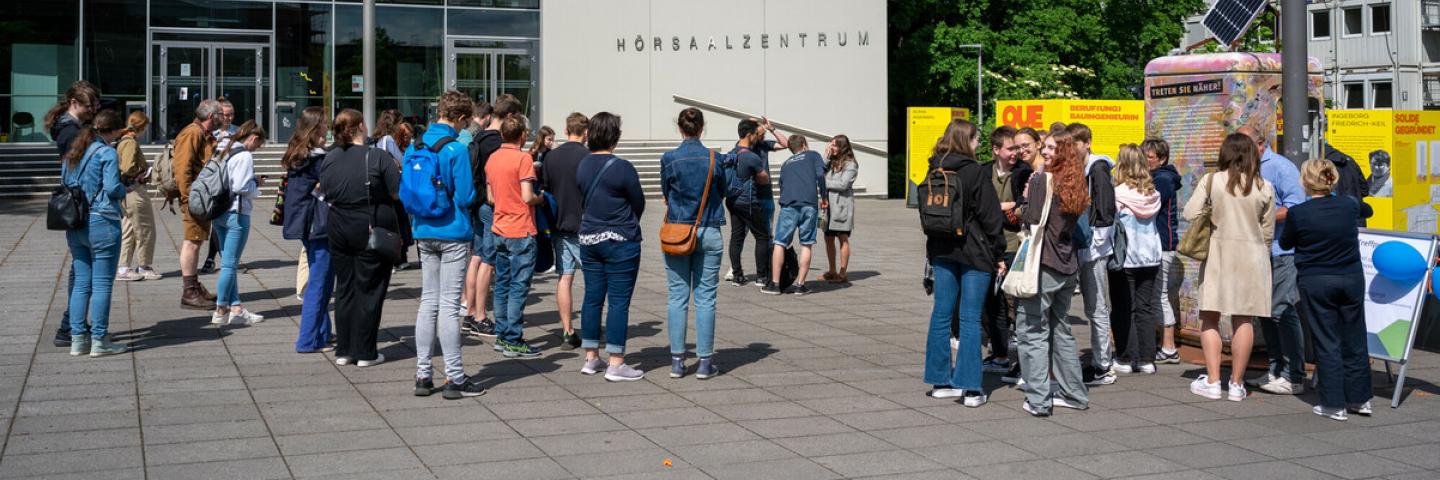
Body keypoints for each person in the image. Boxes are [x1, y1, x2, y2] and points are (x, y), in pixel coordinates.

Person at [1281, 159, 1375, 420]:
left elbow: (1287, 241)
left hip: (1317, 279)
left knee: (1327, 340)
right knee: (1355, 338)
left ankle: (1334, 403)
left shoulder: (1299, 213)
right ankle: (1360, 399)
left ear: (1306, 182)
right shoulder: (1349, 205)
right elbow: (1367, 211)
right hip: (1351, 277)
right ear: (1332, 178)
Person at [921, 119, 1005, 408]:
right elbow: (991, 216)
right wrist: (999, 252)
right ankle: (970, 388)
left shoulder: (934, 167)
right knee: (970, 319)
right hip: (974, 252)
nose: (977, 144)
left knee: (941, 316)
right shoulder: (974, 171)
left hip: (942, 249)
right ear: (964, 140)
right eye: (975, 139)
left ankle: (940, 382)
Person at [1185, 133, 1275, 402]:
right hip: (1252, 256)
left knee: (1210, 316)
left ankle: (1213, 380)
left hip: (1218, 253)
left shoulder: (1212, 180)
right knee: (1243, 319)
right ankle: (1236, 383)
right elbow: (1268, 231)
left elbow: (1190, 212)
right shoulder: (1263, 185)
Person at [409, 91, 486, 399]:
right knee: (450, 306)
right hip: (452, 232)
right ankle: (455, 377)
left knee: (428, 302)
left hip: (423, 230)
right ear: (461, 118)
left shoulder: (417, 145)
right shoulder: (454, 149)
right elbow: (466, 196)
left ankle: (423, 374)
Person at [1015, 130, 1091, 416]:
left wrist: (1023, 203)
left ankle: (1038, 399)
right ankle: (1075, 394)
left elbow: (1032, 218)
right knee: (1061, 330)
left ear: (1061, 153)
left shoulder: (1041, 180)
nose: (1044, 152)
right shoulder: (1076, 180)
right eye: (1044, 147)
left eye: (1049, 148)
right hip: (1067, 264)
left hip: (1043, 265)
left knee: (1032, 330)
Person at [322, 109, 401, 367]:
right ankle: (365, 351)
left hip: (338, 225)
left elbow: (324, 189)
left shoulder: (330, 158)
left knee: (344, 288)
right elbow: (397, 193)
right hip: (369, 226)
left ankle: (344, 350)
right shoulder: (377, 156)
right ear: (360, 127)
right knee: (369, 288)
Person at [576, 112, 648, 381]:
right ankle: (616, 362)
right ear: (615, 136)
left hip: (589, 238)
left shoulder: (582, 165)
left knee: (592, 298)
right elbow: (638, 202)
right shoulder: (622, 167)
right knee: (619, 301)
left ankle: (591, 357)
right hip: (620, 239)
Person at [1239, 126, 1308, 396]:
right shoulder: (1246, 168)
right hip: (1257, 253)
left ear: (1260, 144)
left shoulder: (1280, 167)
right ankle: (1275, 368)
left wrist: (1260, 218)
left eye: (1244, 146)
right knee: (1264, 312)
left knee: (1282, 310)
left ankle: (1294, 374)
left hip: (1281, 252)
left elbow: (1296, 206)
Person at [662, 108, 730, 379]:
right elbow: (722, 191)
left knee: (677, 297)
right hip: (710, 230)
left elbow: (667, 192)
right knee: (706, 299)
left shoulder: (669, 158)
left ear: (680, 128)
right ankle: (704, 363)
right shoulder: (715, 158)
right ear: (703, 128)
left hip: (678, 231)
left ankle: (678, 362)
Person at [61, 110, 130, 357]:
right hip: (101, 222)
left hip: (75, 222)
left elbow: (65, 183)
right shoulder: (107, 153)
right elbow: (112, 188)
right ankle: (100, 339)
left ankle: (78, 339)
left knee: (81, 283)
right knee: (102, 284)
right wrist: (126, 187)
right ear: (111, 131)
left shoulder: (73, 152)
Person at [44, 81, 101, 348]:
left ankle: (72, 325)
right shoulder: (70, 132)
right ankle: (70, 326)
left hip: (78, 204)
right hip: (82, 205)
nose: (93, 111)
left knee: (80, 269)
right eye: (89, 106)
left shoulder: (70, 128)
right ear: (74, 103)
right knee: (82, 272)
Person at [486, 114, 545, 358]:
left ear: (502, 135)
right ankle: (513, 338)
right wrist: (541, 199)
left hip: (499, 227)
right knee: (519, 286)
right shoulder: (523, 159)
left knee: (502, 284)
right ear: (522, 136)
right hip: (520, 229)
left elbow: (490, 198)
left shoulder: (492, 158)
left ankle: (502, 334)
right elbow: (527, 196)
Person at [464, 96, 521, 338]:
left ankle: (469, 312)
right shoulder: (496, 143)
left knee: (476, 257)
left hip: (476, 203)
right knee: (488, 260)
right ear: (509, 117)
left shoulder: (478, 136)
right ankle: (479, 316)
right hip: (490, 205)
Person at [1068, 123, 1119, 387]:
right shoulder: (1084, 169)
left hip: (1093, 248)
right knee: (1092, 306)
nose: (1072, 150)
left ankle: (1103, 364)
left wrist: (1095, 244)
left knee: (1097, 305)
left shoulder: (1097, 168)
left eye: (1075, 144)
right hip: (1085, 245)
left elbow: (1105, 210)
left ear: (1087, 143)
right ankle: (1100, 360)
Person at [978, 126, 1032, 375]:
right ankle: (999, 353)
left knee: (1017, 303)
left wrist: (1001, 208)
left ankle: (1023, 361)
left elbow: (1025, 206)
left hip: (1014, 246)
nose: (1016, 153)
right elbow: (977, 206)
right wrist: (1001, 207)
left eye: (1018, 148)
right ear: (996, 150)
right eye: (1011, 148)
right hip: (987, 246)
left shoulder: (1023, 172)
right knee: (992, 303)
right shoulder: (982, 172)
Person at [1108, 144, 1163, 374]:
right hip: (1151, 256)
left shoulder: (1118, 193)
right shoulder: (1153, 193)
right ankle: (1147, 358)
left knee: (1124, 307)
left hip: (1126, 256)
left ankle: (1126, 356)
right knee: (1145, 307)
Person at [283, 107, 334, 353]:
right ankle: (307, 339)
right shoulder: (316, 159)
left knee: (321, 279)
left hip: (307, 224)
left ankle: (322, 333)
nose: (328, 127)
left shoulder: (299, 154)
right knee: (319, 283)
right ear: (314, 128)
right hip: (319, 225)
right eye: (324, 124)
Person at [210, 121, 268, 326]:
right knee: (229, 265)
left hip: (218, 212)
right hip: (237, 212)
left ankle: (235, 307)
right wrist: (256, 184)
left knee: (228, 262)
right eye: (258, 144)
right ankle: (220, 308)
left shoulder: (224, 150)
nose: (257, 148)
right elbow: (242, 186)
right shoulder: (244, 155)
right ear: (253, 138)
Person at [543, 113, 591, 350]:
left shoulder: (551, 158)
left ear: (565, 130)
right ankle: (591, 327)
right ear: (586, 133)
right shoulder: (588, 157)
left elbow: (546, 190)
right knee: (594, 278)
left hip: (559, 223)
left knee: (565, 277)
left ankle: (567, 330)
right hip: (584, 225)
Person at [726, 117, 790, 285]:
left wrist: (772, 129)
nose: (760, 136)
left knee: (737, 236)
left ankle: (738, 275)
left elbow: (786, 144)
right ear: (750, 134)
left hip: (738, 199)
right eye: (758, 133)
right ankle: (762, 276)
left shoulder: (737, 151)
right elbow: (764, 179)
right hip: (751, 199)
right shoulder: (748, 154)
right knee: (763, 236)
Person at [762, 136, 827, 295]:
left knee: (780, 243)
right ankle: (800, 285)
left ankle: (775, 284)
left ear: (791, 148)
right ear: (804, 144)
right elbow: (820, 175)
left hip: (789, 205)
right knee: (806, 244)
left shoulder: (786, 164)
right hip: (809, 205)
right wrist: (824, 196)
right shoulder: (813, 155)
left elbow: (782, 186)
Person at [174, 100, 223, 310]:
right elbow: (182, 167)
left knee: (196, 241)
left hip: (202, 196)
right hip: (195, 198)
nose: (226, 117)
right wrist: (188, 198)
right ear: (212, 116)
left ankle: (194, 286)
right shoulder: (192, 133)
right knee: (192, 242)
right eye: (222, 114)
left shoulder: (204, 134)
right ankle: (189, 291)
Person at [1144, 138, 1183, 363]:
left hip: (1162, 243)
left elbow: (1152, 205)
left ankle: (1169, 347)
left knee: (1160, 295)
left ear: (1162, 158)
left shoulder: (1163, 179)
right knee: (1157, 294)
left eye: (1149, 157)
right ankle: (1163, 343)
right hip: (1159, 242)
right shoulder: (1160, 177)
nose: (1146, 161)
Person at [115, 111, 162, 282]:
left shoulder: (123, 140)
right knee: (145, 229)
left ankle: (123, 267)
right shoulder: (130, 143)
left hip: (127, 191)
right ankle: (144, 266)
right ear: (142, 127)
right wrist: (143, 173)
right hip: (135, 190)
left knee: (129, 230)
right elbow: (127, 168)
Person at [202, 98, 240, 274]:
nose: (229, 118)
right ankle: (216, 257)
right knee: (215, 222)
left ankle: (218, 257)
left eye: (232, 114)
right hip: (214, 180)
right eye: (226, 115)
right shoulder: (211, 133)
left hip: (231, 181)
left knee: (224, 222)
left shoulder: (237, 132)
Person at [822, 135, 858, 284]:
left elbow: (843, 184)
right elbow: (820, 170)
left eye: (835, 145)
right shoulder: (832, 161)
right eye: (831, 145)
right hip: (828, 206)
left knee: (842, 238)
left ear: (842, 147)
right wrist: (826, 156)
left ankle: (842, 273)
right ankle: (832, 270)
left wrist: (823, 181)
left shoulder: (851, 164)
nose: (832, 148)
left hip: (841, 206)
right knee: (828, 238)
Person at [1322, 143, 1370, 227]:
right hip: (1356, 218)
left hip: (1336, 220)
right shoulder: (1349, 160)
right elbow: (1365, 190)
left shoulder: (1321, 165)